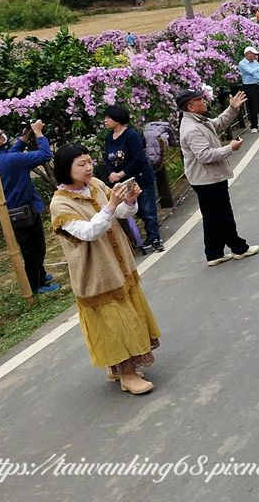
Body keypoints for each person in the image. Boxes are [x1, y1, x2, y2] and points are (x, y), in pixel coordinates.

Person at [50, 143, 160, 394]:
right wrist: (111, 206)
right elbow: (88, 232)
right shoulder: (60, 205)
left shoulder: (96, 185)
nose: (89, 167)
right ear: (66, 169)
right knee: (117, 323)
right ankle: (127, 375)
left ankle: (117, 369)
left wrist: (130, 201)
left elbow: (121, 212)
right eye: (81, 164)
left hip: (116, 265)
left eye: (89, 161)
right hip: (96, 275)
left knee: (125, 317)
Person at [176, 88, 259, 266]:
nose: (204, 101)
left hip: (206, 177)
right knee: (223, 215)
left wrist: (232, 109)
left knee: (212, 216)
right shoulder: (191, 129)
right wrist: (230, 148)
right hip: (207, 179)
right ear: (190, 106)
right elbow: (205, 156)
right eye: (200, 99)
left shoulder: (198, 120)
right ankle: (239, 248)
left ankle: (214, 253)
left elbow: (217, 124)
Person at [0, 120, 59, 293]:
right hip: (24, 212)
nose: (4, 133)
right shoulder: (12, 160)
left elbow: (12, 154)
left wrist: (24, 137)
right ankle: (36, 285)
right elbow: (45, 155)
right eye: (1, 132)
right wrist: (38, 133)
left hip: (15, 210)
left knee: (32, 248)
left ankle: (40, 276)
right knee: (34, 249)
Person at [102, 104, 164, 254]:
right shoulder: (109, 138)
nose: (105, 121)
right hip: (124, 181)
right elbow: (107, 159)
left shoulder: (131, 135)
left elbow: (139, 158)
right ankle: (151, 234)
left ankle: (155, 239)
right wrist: (111, 173)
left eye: (108, 118)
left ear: (117, 119)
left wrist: (121, 173)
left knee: (148, 208)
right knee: (135, 209)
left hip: (140, 177)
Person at [238, 45, 259, 133]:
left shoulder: (255, 62)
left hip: (258, 84)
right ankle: (254, 126)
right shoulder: (242, 63)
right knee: (253, 106)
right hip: (249, 86)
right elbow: (251, 71)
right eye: (253, 54)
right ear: (247, 54)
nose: (255, 56)